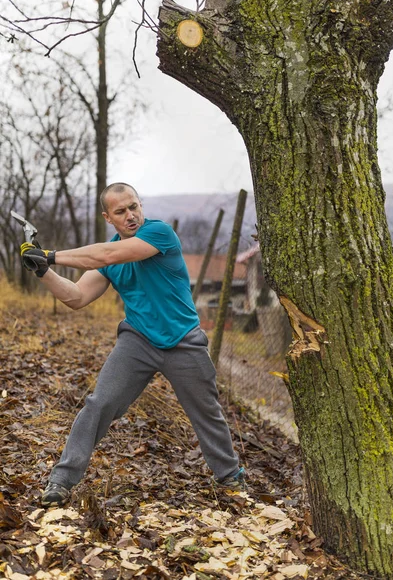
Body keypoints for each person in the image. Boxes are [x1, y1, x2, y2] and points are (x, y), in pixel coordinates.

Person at [21, 182, 245, 507]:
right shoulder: (111, 257)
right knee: (99, 404)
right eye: (121, 211)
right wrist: (43, 271)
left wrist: (52, 255)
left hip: (183, 341)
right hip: (137, 341)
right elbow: (77, 296)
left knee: (207, 414)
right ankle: (61, 481)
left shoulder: (159, 234)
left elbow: (108, 254)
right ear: (107, 217)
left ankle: (231, 480)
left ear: (141, 205)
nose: (131, 215)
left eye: (134, 206)